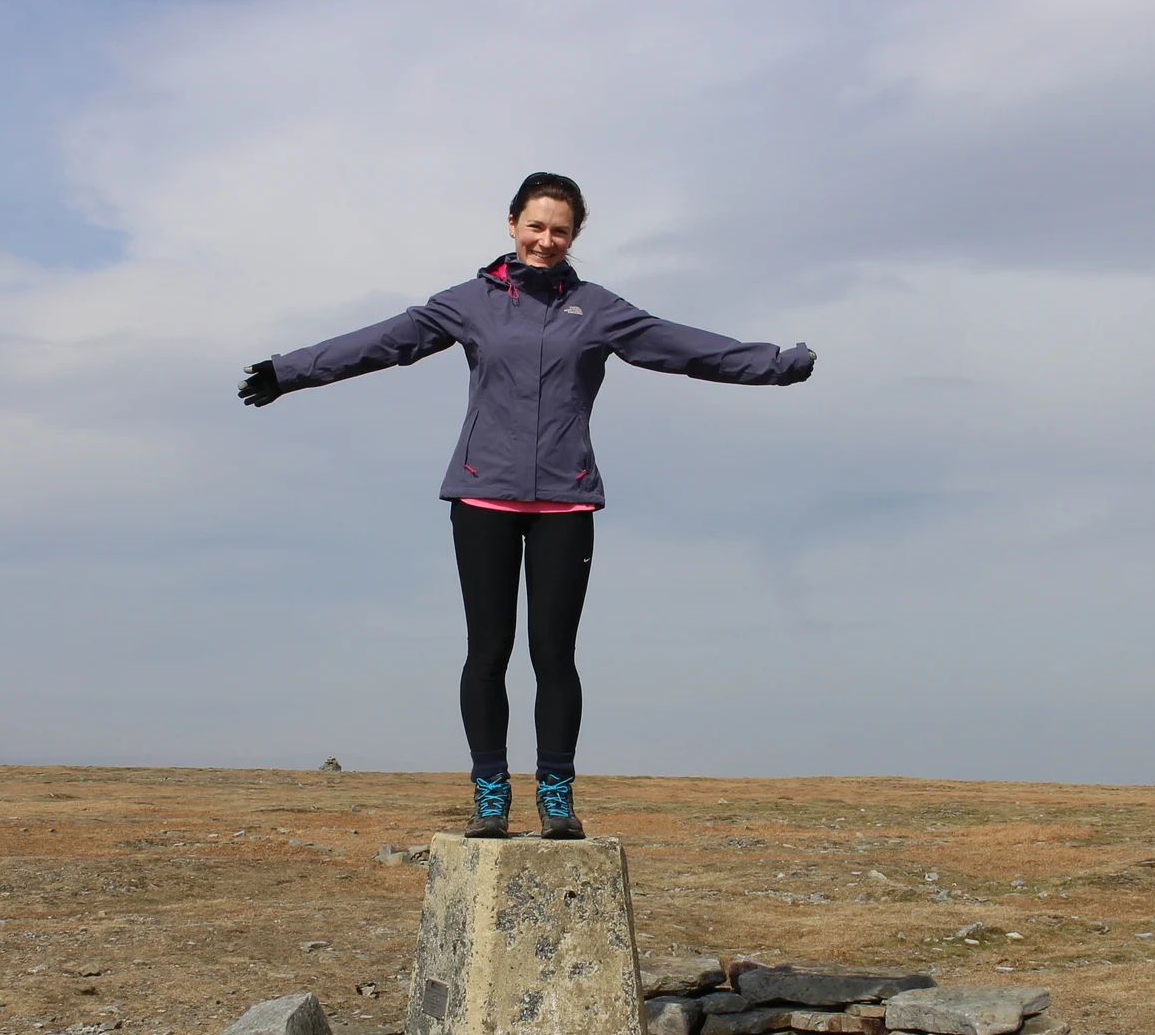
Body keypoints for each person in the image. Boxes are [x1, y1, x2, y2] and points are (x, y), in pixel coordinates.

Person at [239, 172, 815, 840]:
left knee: (554, 654)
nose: (546, 239)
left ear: (574, 237)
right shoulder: (470, 303)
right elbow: (384, 341)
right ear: (512, 224)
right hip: (483, 494)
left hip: (564, 501)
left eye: (560, 230)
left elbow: (682, 347)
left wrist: (777, 363)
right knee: (488, 649)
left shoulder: (598, 309)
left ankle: (556, 792)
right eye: (536, 225)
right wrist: (290, 371)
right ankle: (489, 791)